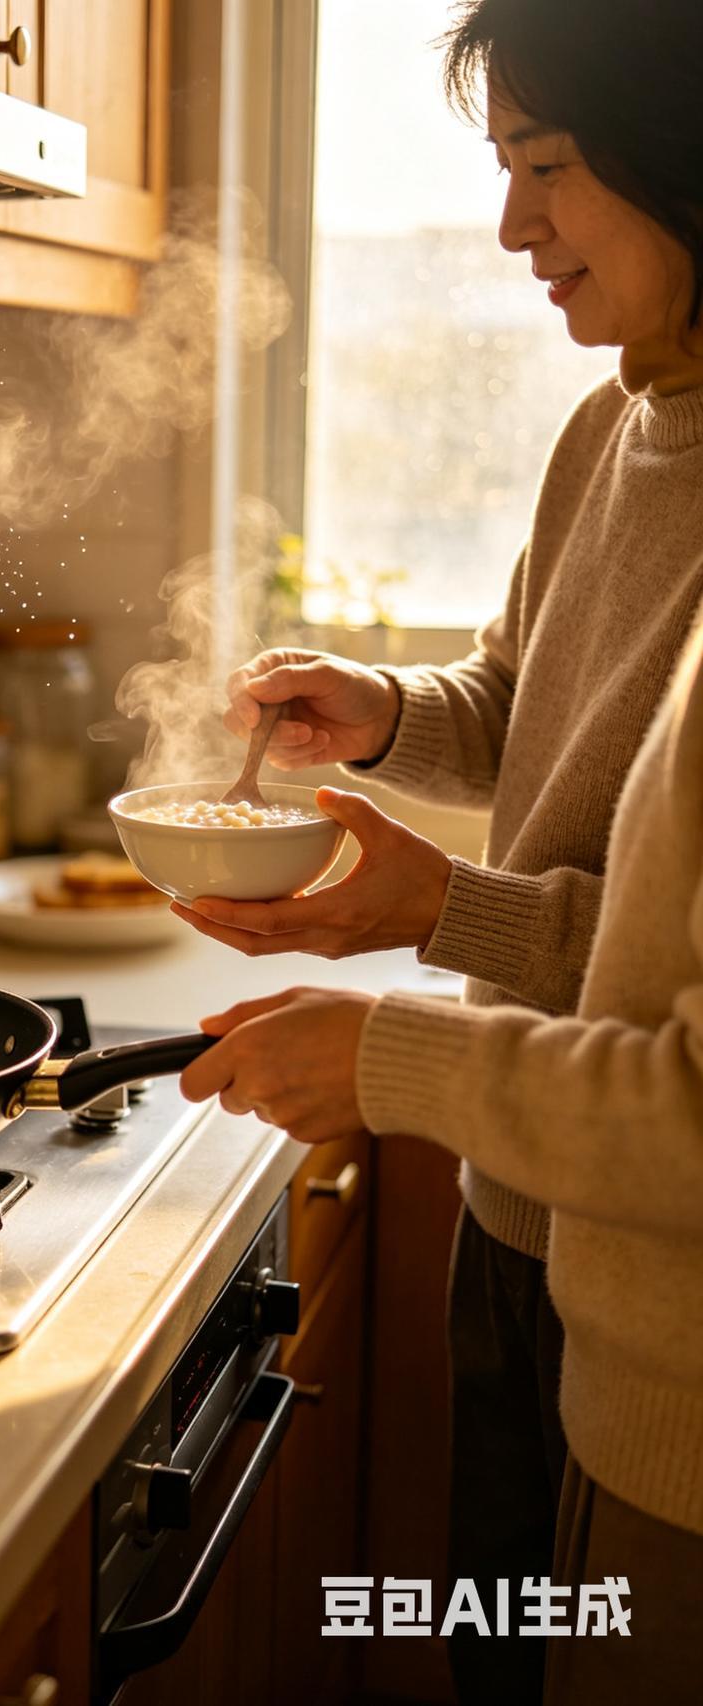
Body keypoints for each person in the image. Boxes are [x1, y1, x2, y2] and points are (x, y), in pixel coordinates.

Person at [173, 1, 703, 1700]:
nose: (510, 226)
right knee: (508, 1644)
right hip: (531, 1216)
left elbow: (666, 1001)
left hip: (643, 1247)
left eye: (550, 168)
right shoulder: (617, 421)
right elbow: (530, 696)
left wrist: (436, 950)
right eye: (504, 170)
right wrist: (387, 708)